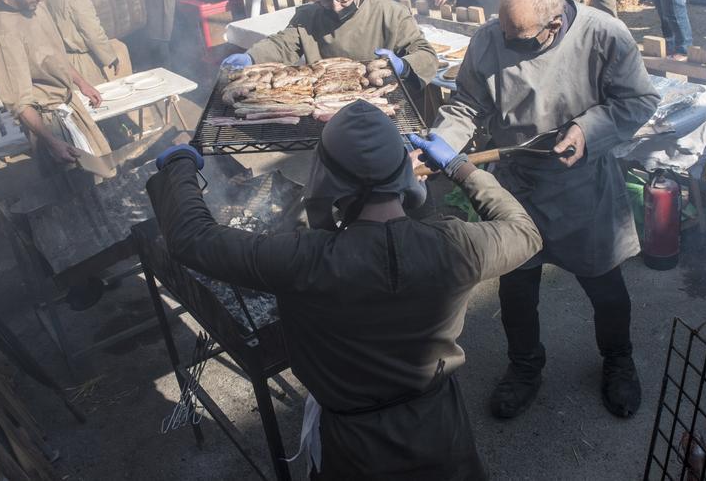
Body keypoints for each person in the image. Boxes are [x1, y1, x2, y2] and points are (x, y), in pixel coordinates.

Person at [147, 101, 543, 478]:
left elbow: (192, 238)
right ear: (402, 173)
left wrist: (181, 166)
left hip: (355, 447)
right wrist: (461, 168)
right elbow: (526, 231)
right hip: (441, 428)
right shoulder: (455, 245)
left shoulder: (304, 259)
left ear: (327, 178)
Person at [429, 0, 660, 421]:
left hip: (583, 184)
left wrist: (588, 128)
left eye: (519, 38)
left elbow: (639, 101)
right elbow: (467, 105)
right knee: (516, 290)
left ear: (553, 24)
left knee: (605, 287)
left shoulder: (604, 35)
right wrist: (442, 142)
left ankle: (618, 360)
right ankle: (525, 368)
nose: (506, 44)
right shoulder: (490, 38)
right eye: (503, 31)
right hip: (518, 188)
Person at [222, 0, 439, 85]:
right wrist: (251, 58)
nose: (335, 6)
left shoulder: (392, 13)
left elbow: (427, 55)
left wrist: (404, 66)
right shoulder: (309, 16)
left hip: (381, 98)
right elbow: (283, 43)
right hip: (329, 99)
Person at [0, 0, 109, 170]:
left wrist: (82, 83)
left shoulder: (35, 8)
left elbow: (55, 55)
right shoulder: (3, 35)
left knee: (101, 172)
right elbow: (20, 103)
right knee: (77, 190)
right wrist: (52, 142)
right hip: (48, 125)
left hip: (70, 107)